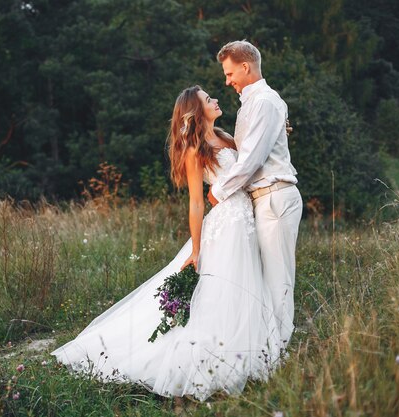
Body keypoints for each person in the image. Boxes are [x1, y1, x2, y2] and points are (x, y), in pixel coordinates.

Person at [51, 85, 283, 401]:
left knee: (246, 285)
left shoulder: (228, 137)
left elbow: (254, 157)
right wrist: (198, 249)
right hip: (225, 224)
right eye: (207, 100)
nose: (215, 100)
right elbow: (196, 203)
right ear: (196, 111)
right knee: (222, 289)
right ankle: (215, 359)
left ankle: (247, 349)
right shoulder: (194, 150)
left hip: (247, 219)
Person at [208, 40, 303, 348]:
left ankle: (278, 353)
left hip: (274, 198)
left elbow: (252, 160)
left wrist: (218, 192)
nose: (227, 81)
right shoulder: (255, 102)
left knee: (278, 279)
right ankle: (266, 345)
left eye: (230, 72)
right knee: (265, 277)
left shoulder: (263, 101)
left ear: (245, 67)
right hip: (264, 200)